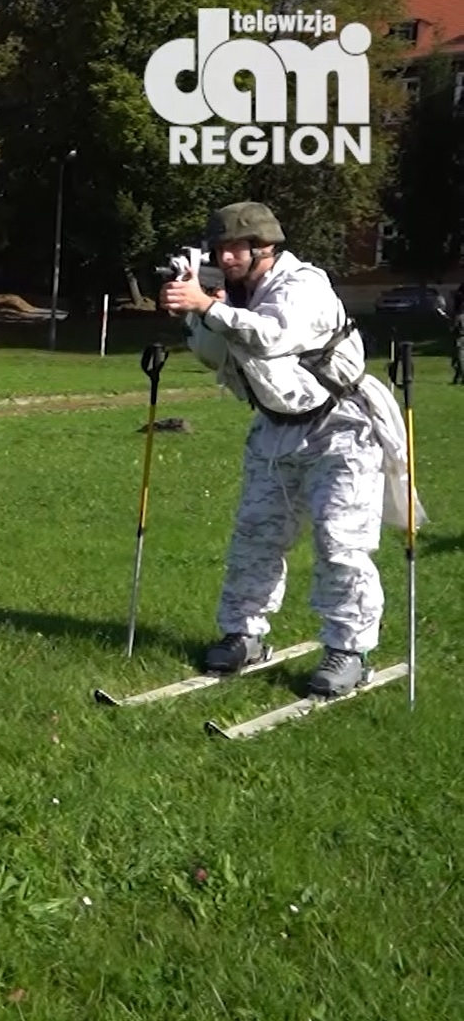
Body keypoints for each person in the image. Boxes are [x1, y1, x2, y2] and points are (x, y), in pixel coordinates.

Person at [163, 201, 421, 697]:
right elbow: (216, 357)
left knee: (340, 542)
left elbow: (272, 337)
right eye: (218, 249)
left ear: (264, 246)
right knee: (255, 537)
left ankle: (348, 650)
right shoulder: (233, 293)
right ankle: (243, 634)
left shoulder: (304, 285)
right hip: (275, 429)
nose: (225, 257)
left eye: (234, 248)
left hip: (341, 427)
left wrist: (208, 307)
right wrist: (195, 315)